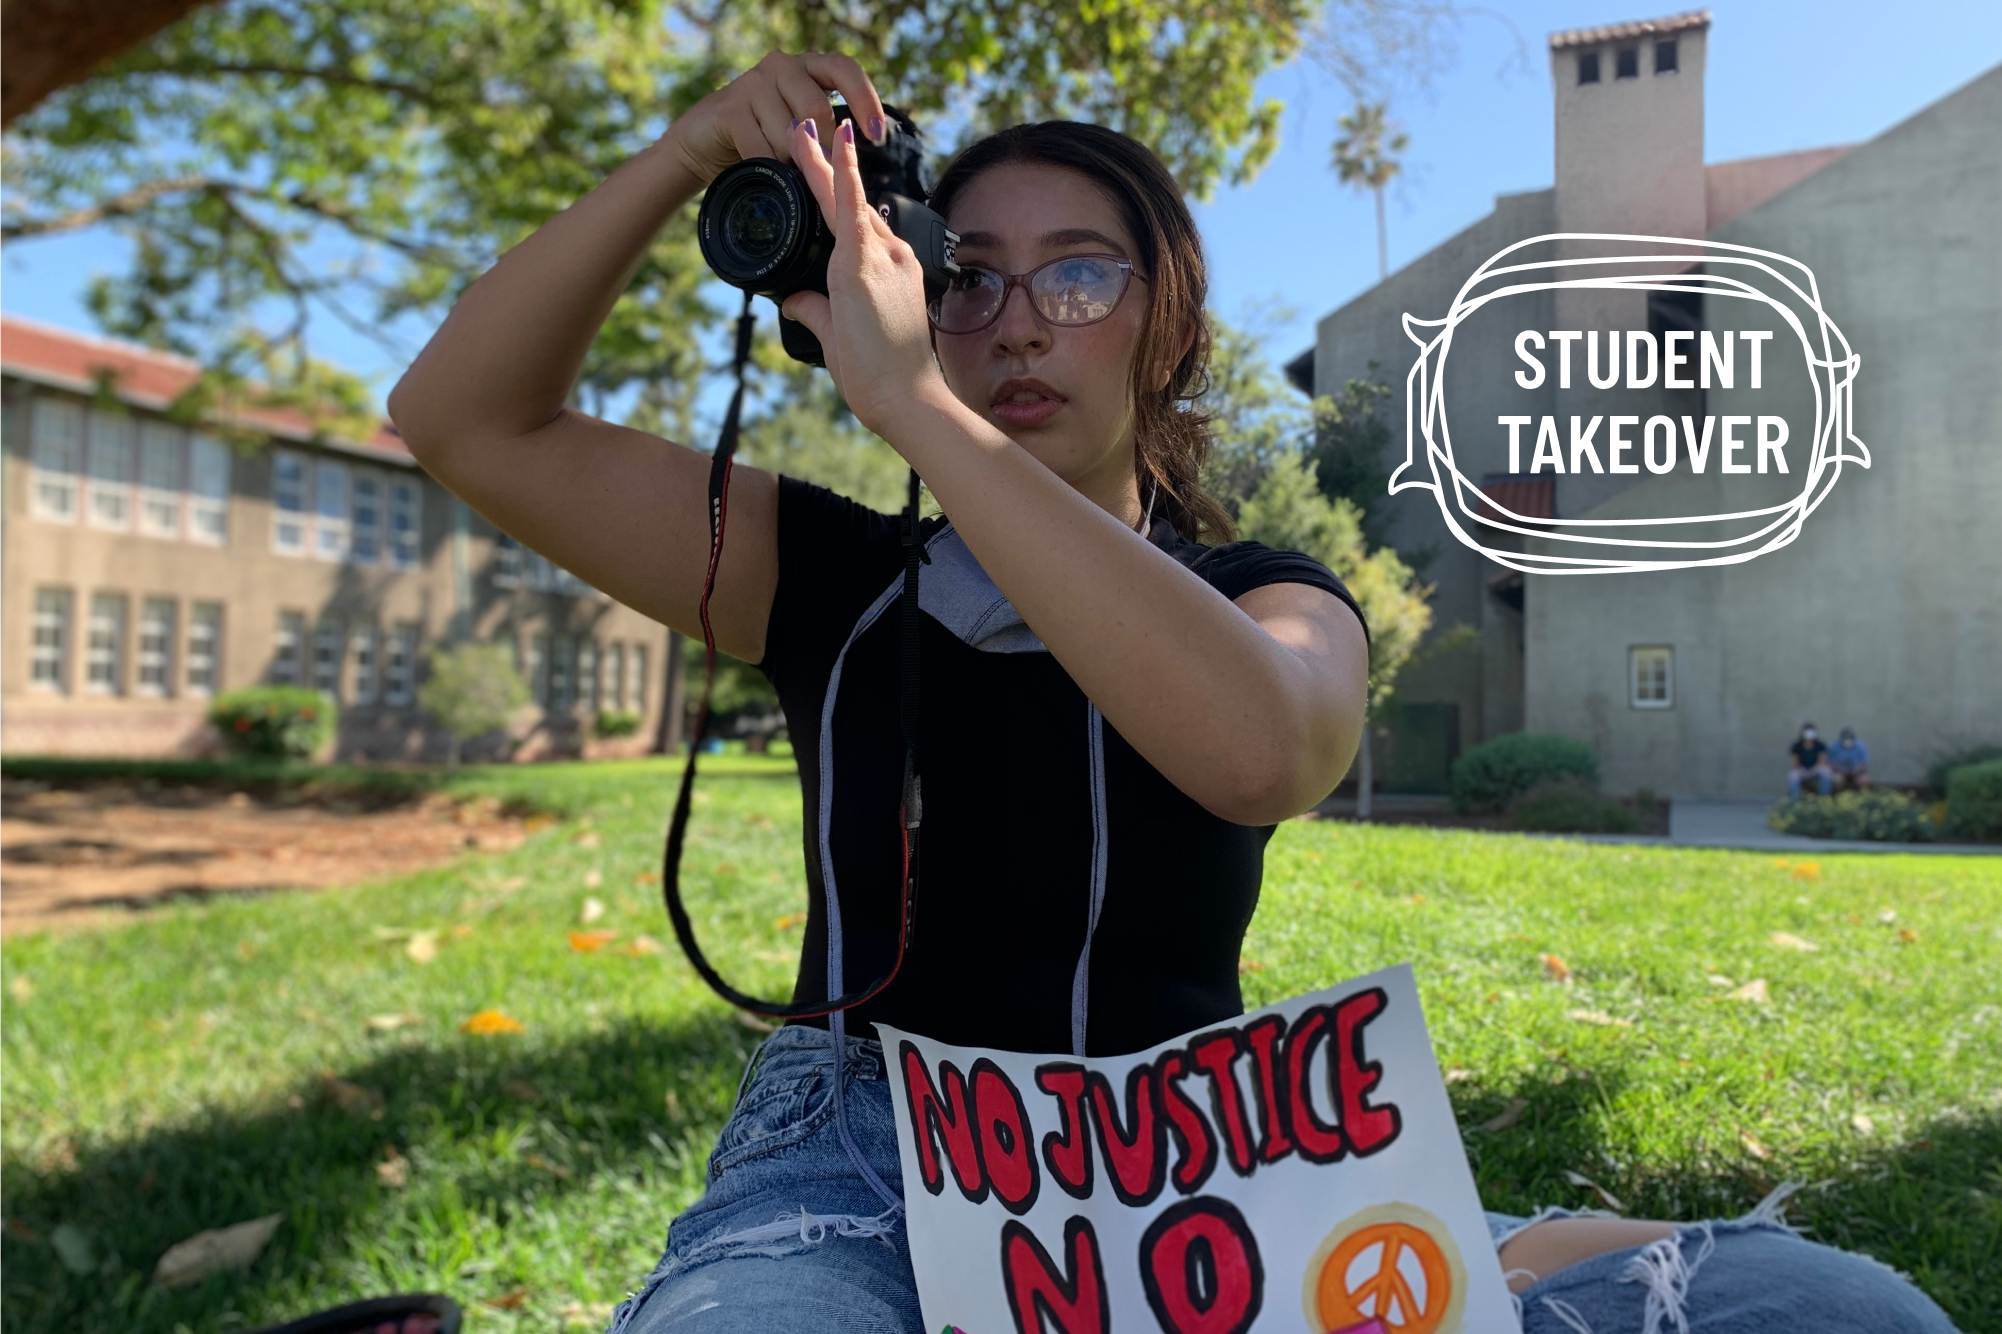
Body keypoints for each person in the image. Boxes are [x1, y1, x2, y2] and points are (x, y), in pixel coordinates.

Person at [387, 51, 1960, 1334]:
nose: (1012, 323)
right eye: (961, 276)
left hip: (1206, 1167)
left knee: (1828, 1309)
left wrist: (925, 412)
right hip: (864, 1154)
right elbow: (462, 416)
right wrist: (684, 156)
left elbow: (1261, 744)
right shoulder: (829, 579)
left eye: (1077, 274)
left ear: (1168, 320)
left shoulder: (1265, 593)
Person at [1790, 722, 1836, 799]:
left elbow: (1822, 761)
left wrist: (1813, 770)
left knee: (1826, 773)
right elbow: (1795, 763)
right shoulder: (1796, 746)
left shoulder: (1820, 745)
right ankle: (1794, 803)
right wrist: (1802, 770)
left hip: (1816, 769)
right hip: (1801, 770)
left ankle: (1823, 799)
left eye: (1811, 732)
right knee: (1792, 776)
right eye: (1807, 732)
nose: (1809, 734)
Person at [1830, 726, 1872, 791]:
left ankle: (1862, 797)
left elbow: (1864, 762)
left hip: (1857, 772)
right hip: (1840, 772)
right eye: (1845, 739)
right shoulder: (1834, 746)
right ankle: (1838, 797)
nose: (1847, 741)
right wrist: (1842, 770)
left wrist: (1856, 770)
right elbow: (1832, 762)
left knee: (1864, 780)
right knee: (1836, 780)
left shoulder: (1861, 746)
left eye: (1849, 739)